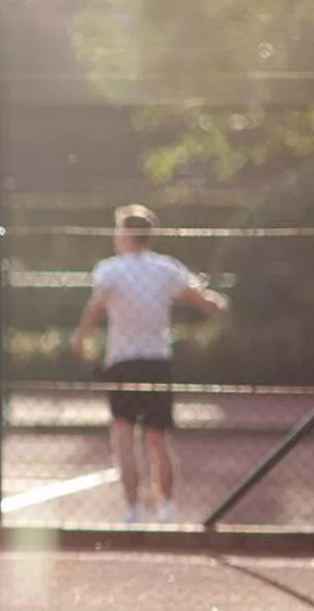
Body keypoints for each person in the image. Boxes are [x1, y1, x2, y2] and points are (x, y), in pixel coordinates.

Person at [70, 204, 228, 524]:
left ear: (124, 235)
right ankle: (166, 508)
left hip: (123, 361)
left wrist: (80, 337)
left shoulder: (110, 270)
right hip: (157, 361)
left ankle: (132, 510)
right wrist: (221, 305)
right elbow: (202, 300)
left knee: (124, 436)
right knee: (158, 438)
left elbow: (97, 305)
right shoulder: (165, 268)